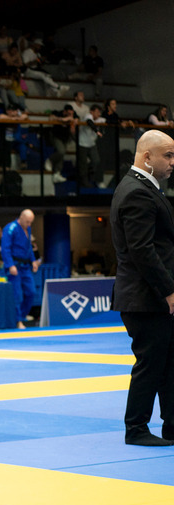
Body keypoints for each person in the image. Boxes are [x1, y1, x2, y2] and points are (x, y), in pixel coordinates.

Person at [110, 131, 174, 446]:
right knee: (150, 364)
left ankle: (172, 425)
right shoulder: (137, 192)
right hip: (145, 297)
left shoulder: (143, 188)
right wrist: (168, 291)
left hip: (149, 296)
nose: (173, 162)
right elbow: (142, 251)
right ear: (147, 157)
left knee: (168, 362)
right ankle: (135, 428)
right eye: (168, 155)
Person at [1, 209, 39, 329]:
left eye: (31, 222)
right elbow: (5, 248)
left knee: (31, 292)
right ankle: (17, 321)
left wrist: (33, 260)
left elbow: (28, 247)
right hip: (15, 265)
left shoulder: (28, 228)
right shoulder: (10, 228)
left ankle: (21, 316)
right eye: (27, 221)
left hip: (25, 266)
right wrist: (10, 265)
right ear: (21, 217)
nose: (29, 224)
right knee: (17, 295)